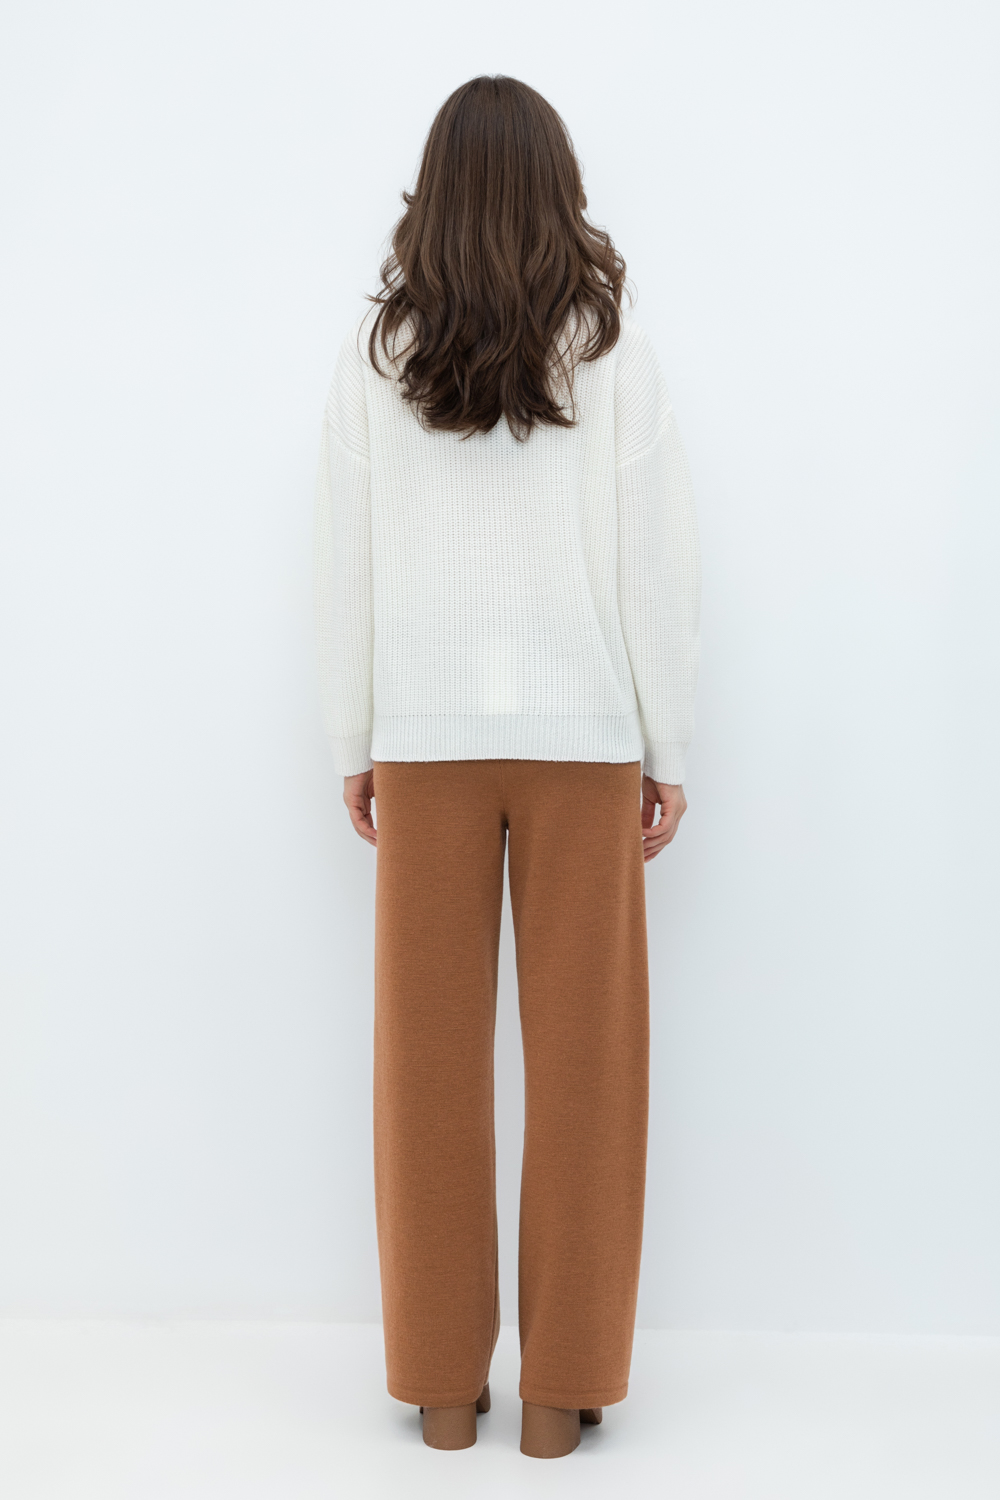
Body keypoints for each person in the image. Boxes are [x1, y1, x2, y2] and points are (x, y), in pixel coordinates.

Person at [313, 74, 700, 1460]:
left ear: (437, 194)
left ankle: (439, 1393)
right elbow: (656, 566)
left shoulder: (383, 357)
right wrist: (668, 745)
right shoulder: (613, 353)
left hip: (424, 744)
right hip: (583, 744)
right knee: (590, 1069)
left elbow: (344, 562)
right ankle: (558, 1397)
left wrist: (354, 738)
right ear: (556, 191)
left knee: (424, 1072)